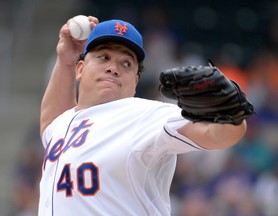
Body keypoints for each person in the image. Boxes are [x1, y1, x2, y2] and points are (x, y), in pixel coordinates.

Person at [39, 16, 248, 216]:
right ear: (80, 69)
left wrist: (231, 111)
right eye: (104, 57)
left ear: (135, 83)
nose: (113, 68)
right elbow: (51, 125)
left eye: (126, 64)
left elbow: (219, 133)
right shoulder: (64, 123)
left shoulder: (144, 115)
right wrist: (65, 60)